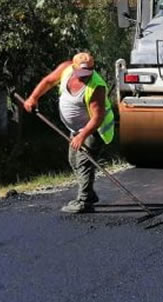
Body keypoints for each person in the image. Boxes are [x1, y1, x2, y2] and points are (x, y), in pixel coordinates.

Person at [23, 52, 116, 214]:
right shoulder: (65, 69)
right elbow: (48, 81)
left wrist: (82, 135)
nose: (84, 77)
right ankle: (89, 193)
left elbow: (97, 117)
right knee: (73, 159)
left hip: (94, 129)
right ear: (73, 68)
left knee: (83, 162)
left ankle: (84, 200)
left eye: (88, 73)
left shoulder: (97, 87)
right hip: (76, 129)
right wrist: (33, 98)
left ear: (93, 69)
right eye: (81, 74)